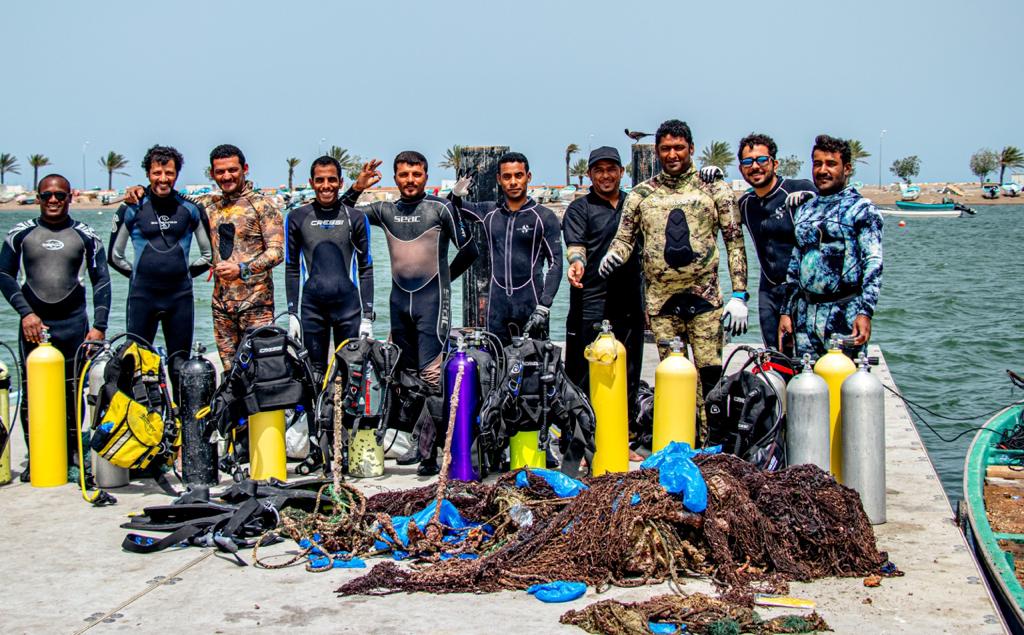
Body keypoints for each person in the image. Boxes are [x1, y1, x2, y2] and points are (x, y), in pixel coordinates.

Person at [599, 119, 748, 442]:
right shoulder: (641, 194)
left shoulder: (714, 189)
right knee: (674, 377)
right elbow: (624, 239)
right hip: (662, 303)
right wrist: (613, 255)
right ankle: (681, 440)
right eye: (666, 148)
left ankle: (713, 445)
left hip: (705, 299)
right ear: (657, 151)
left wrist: (740, 294)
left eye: (679, 147)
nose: (672, 154)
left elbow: (734, 241)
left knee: (710, 376)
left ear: (691, 149)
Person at [343, 151, 478, 475]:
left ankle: (432, 453)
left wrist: (444, 279)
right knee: (405, 377)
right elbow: (344, 216)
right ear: (395, 177)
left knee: (432, 377)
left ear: (426, 176)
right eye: (404, 174)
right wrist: (357, 187)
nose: (410, 180)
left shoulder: (440, 208)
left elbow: (470, 249)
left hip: (433, 302)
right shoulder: (386, 210)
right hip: (399, 303)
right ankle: (418, 443)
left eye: (416, 174)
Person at [126, 144, 284, 368]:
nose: (226, 176)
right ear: (212, 173)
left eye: (232, 170)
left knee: (261, 371)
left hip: (256, 306)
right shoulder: (208, 205)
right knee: (230, 373)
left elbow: (277, 252)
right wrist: (140, 189)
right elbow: (167, 194)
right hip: (221, 308)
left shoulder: (263, 205)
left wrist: (242, 269)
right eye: (220, 171)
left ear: (245, 169)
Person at [0, 174, 111, 481]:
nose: (53, 200)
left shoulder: (86, 235)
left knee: (73, 392)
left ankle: (73, 454)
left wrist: (99, 327)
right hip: (34, 327)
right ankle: (38, 455)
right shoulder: (20, 233)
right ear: (38, 198)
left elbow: (101, 280)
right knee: (32, 393)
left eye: (60, 195)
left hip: (75, 325)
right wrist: (26, 314)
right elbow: (4, 275)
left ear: (69, 198)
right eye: (47, 195)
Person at [108, 145, 213, 388]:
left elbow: (209, 255)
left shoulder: (191, 208)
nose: (163, 179)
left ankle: (180, 413)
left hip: (179, 297)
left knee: (179, 365)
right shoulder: (131, 208)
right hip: (142, 296)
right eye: (157, 173)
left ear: (177, 174)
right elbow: (114, 256)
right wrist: (137, 275)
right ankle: (143, 412)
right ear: (148, 173)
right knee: (136, 364)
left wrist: (185, 274)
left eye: (169, 173)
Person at [701, 133, 816, 353]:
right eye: (747, 162)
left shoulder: (797, 189)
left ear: (775, 163)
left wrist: (813, 199)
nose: (755, 166)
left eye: (762, 160)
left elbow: (835, 205)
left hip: (803, 291)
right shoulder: (746, 204)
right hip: (769, 290)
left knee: (808, 360)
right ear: (741, 168)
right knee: (775, 356)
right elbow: (715, 217)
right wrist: (713, 182)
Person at [778, 135, 883, 360]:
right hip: (805, 315)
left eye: (831, 164)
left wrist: (865, 312)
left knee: (845, 378)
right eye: (817, 164)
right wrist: (786, 312)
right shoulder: (805, 209)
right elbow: (794, 265)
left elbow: (873, 263)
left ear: (847, 169)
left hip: (845, 314)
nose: (823, 170)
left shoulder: (862, 209)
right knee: (806, 378)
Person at [561, 146, 644, 419]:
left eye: (611, 170)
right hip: (590, 303)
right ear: (589, 174)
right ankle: (582, 432)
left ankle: (625, 430)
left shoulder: (635, 206)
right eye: (599, 170)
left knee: (628, 370)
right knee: (582, 371)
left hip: (630, 302)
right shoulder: (579, 208)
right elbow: (576, 247)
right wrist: (576, 263)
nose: (605, 176)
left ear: (622, 172)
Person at [452, 152, 563, 347]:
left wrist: (544, 306)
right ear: (499, 179)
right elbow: (452, 208)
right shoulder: (489, 212)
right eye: (507, 176)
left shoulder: (544, 217)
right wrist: (455, 194)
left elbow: (556, 263)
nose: (513, 182)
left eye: (518, 175)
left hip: (532, 307)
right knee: (497, 361)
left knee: (533, 363)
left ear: (528, 177)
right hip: (497, 310)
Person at [285, 155, 374, 377]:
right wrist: (292, 313)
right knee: (314, 375)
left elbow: (366, 268)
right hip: (312, 310)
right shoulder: (296, 217)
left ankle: (347, 402)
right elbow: (292, 267)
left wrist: (367, 316)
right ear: (311, 182)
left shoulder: (356, 218)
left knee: (351, 374)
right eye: (320, 180)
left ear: (341, 182)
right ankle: (317, 402)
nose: (326, 185)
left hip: (349, 309)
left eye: (332, 179)